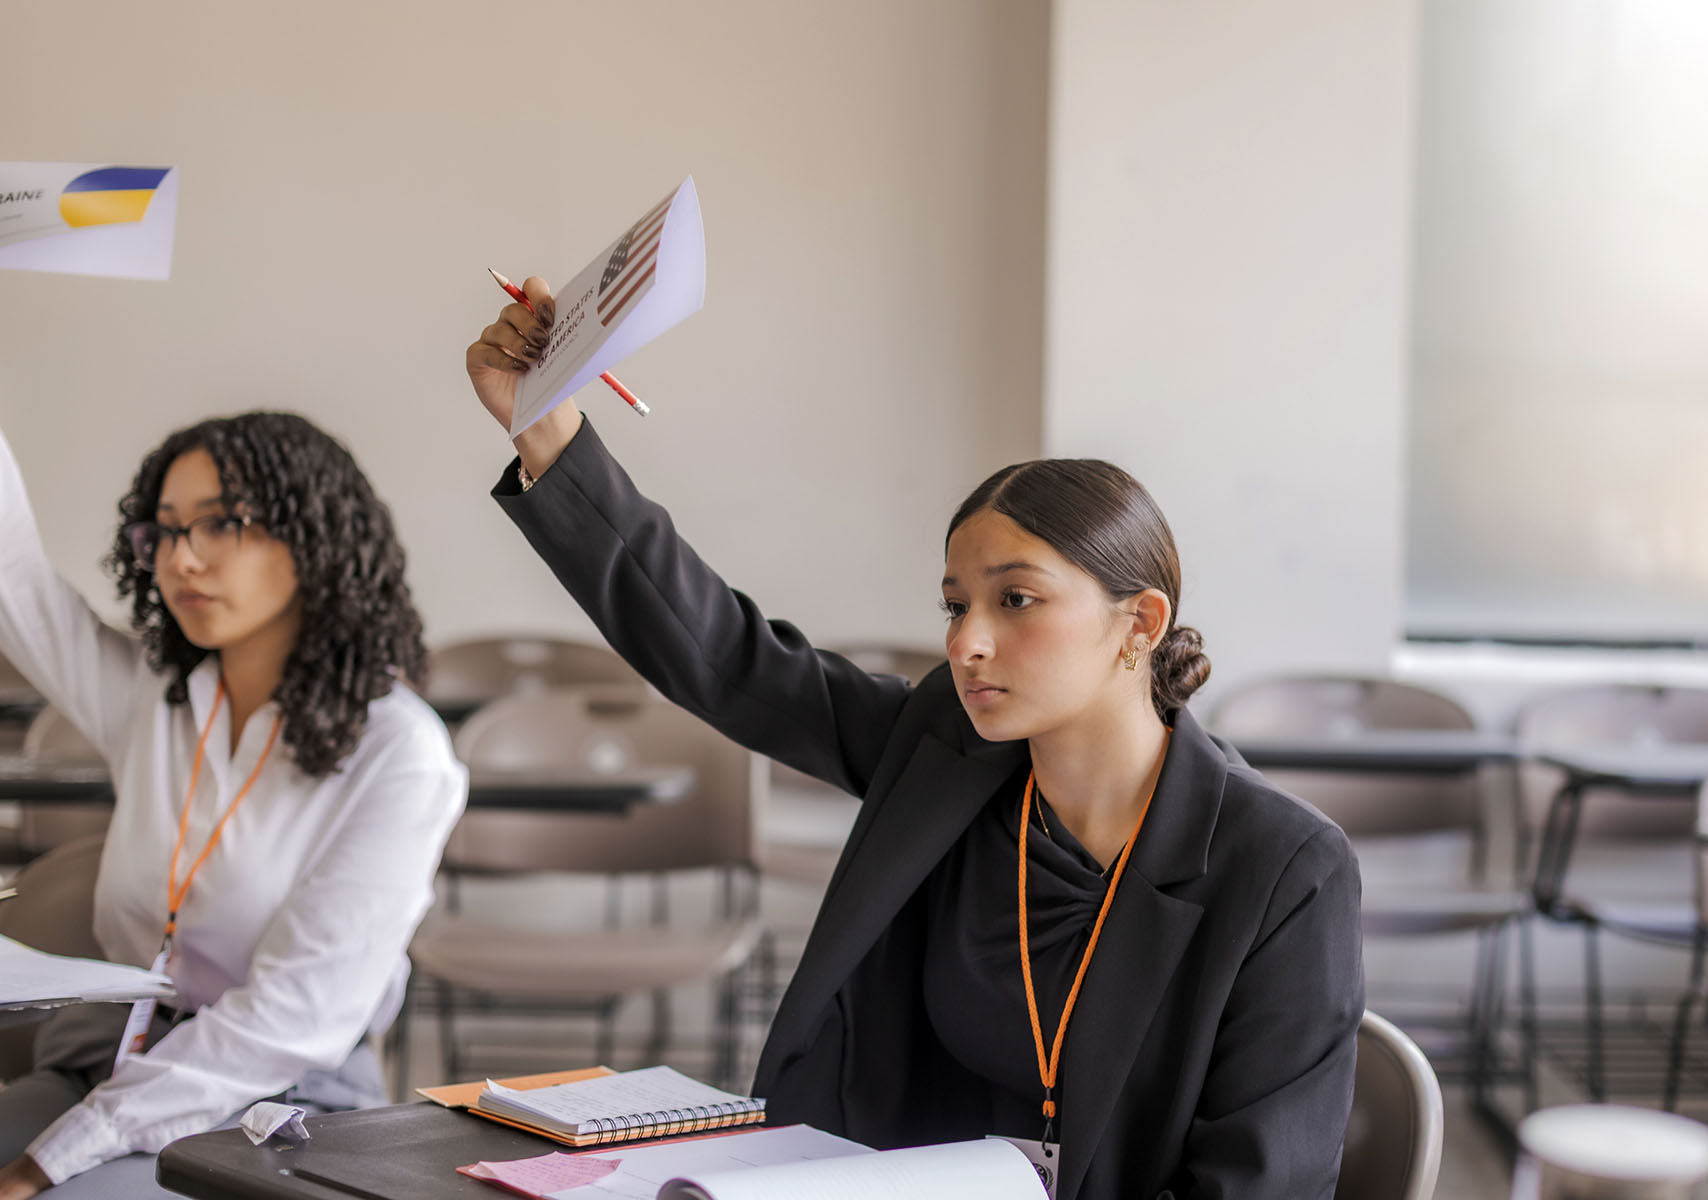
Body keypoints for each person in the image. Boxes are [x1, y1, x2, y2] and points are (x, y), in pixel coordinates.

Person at [467, 280, 1363, 1200]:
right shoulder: (945, 750)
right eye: (955, 605)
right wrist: (545, 429)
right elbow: (728, 661)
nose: (967, 641)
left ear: (1140, 623)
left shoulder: (1283, 870)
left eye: (1016, 600)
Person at [0, 412, 467, 1199]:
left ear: (311, 536)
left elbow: (285, 1022)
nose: (183, 558)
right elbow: (13, 580)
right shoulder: (159, 700)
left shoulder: (400, 754)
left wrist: (47, 1160)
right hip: (101, 1057)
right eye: (168, 530)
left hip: (276, 1104)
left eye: (222, 524)